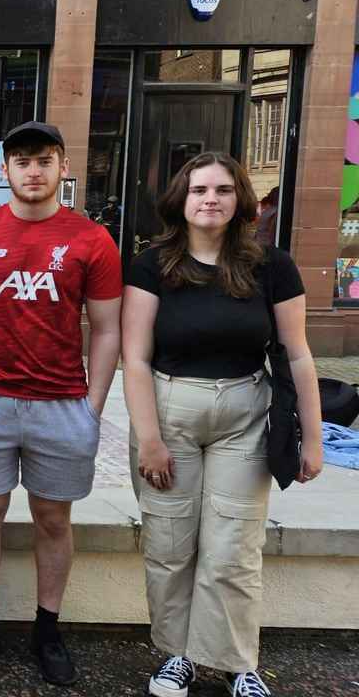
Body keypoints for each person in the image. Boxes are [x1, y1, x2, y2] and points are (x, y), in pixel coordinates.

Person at [122, 152, 323, 697]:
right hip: (170, 413)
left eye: (223, 190)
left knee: (233, 547)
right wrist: (149, 440)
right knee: (170, 544)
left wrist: (313, 435)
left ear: (241, 201)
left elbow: (298, 354)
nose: (210, 199)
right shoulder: (151, 266)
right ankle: (176, 656)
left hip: (244, 416)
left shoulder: (272, 266)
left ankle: (237, 662)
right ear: (181, 201)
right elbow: (134, 358)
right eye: (199, 190)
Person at [0, 121, 122, 687]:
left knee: (52, 517)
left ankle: (47, 628)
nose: (33, 171)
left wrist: (92, 405)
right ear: (5, 171)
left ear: (63, 167)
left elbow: (108, 329)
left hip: (62, 403)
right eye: (22, 161)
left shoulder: (92, 240)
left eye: (44, 160)